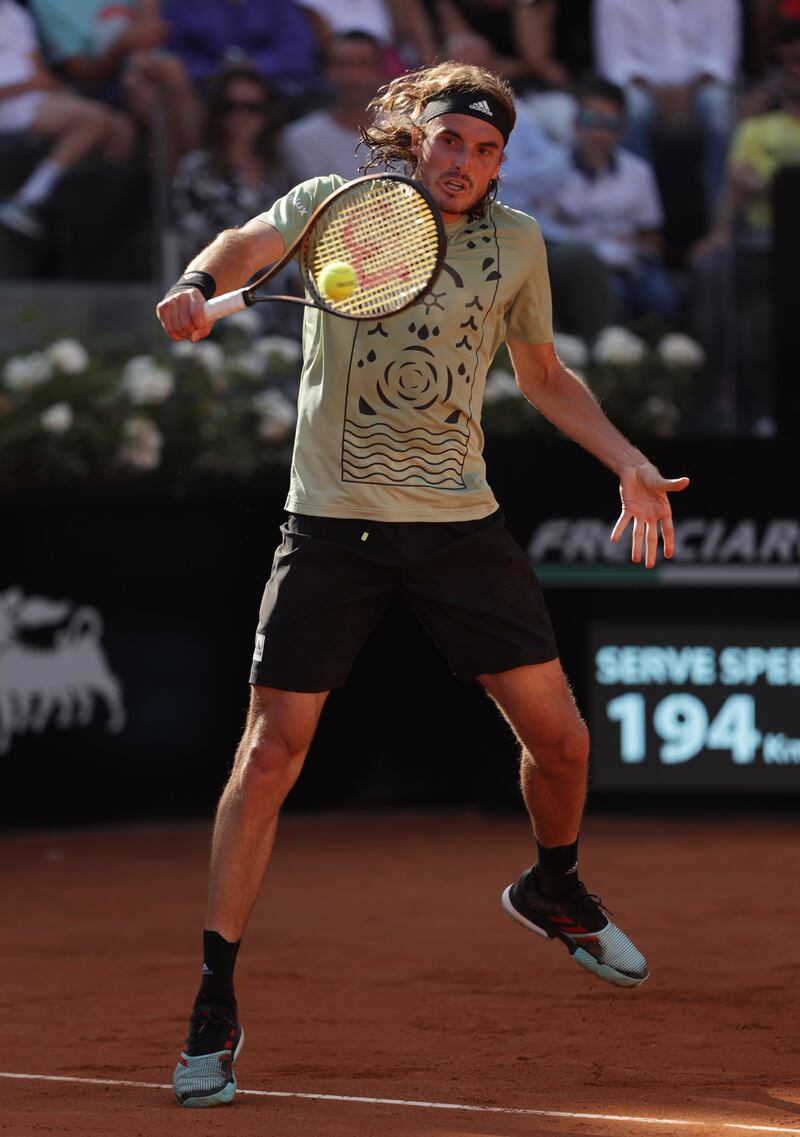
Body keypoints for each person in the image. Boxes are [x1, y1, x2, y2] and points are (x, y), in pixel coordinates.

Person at [157, 60, 690, 1109]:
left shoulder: (519, 243)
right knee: (269, 755)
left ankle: (552, 884)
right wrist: (190, 285)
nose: (463, 163)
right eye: (449, 141)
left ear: (500, 160)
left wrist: (624, 459)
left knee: (564, 744)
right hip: (330, 527)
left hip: (457, 528)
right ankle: (213, 998)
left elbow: (540, 375)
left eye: (484, 150)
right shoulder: (334, 208)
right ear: (415, 135)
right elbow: (239, 250)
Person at [688, 18, 800, 432]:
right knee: (711, 271)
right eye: (785, 63)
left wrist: (768, 190)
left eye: (799, 60)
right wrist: (717, 235)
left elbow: (762, 188)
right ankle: (722, 394)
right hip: (762, 245)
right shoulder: (755, 130)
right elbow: (733, 190)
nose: (794, 70)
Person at [534, 76, 677, 327]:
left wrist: (633, 242)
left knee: (662, 297)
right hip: (579, 270)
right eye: (591, 120)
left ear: (623, 129)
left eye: (610, 123)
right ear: (576, 124)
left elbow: (654, 239)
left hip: (629, 265)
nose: (599, 132)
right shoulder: (548, 170)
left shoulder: (639, 172)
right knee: (612, 295)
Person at [0, 0, 135, 240]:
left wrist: (47, 85)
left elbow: (36, 68)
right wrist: (31, 85)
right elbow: (32, 80)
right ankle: (29, 199)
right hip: (9, 102)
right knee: (92, 117)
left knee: (120, 129)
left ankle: (97, 230)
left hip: (32, 97)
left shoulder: (13, 13)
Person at [593, 0, 740, 216]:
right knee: (631, 107)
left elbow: (721, 62)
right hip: (643, 90)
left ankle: (721, 223)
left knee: (718, 105)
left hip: (699, 90)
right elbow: (616, 66)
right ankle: (638, 218)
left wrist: (688, 92)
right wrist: (656, 93)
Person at [27, 0, 200, 168]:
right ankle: (196, 179)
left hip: (143, 67)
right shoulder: (48, 3)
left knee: (168, 73)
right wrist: (123, 47)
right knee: (156, 93)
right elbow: (84, 74)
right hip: (101, 81)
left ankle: (192, 179)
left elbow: (150, 28)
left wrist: (135, 67)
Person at [279, 31, 386, 184]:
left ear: (379, 70)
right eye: (343, 64)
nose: (353, 76)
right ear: (327, 70)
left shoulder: (407, 130)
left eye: (363, 64)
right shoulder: (300, 139)